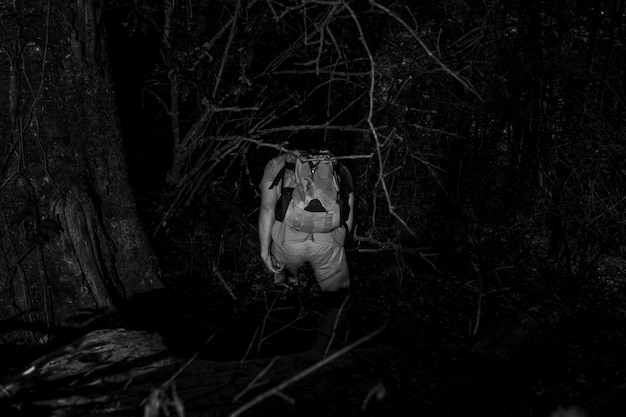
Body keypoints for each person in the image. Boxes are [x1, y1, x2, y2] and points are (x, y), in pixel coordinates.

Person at [258, 150, 354, 354]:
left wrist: (265, 251)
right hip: (328, 242)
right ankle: (319, 356)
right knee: (337, 303)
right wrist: (339, 237)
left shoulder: (278, 162)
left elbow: (267, 208)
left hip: (287, 241)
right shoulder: (337, 164)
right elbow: (348, 210)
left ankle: (272, 353)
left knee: (283, 293)